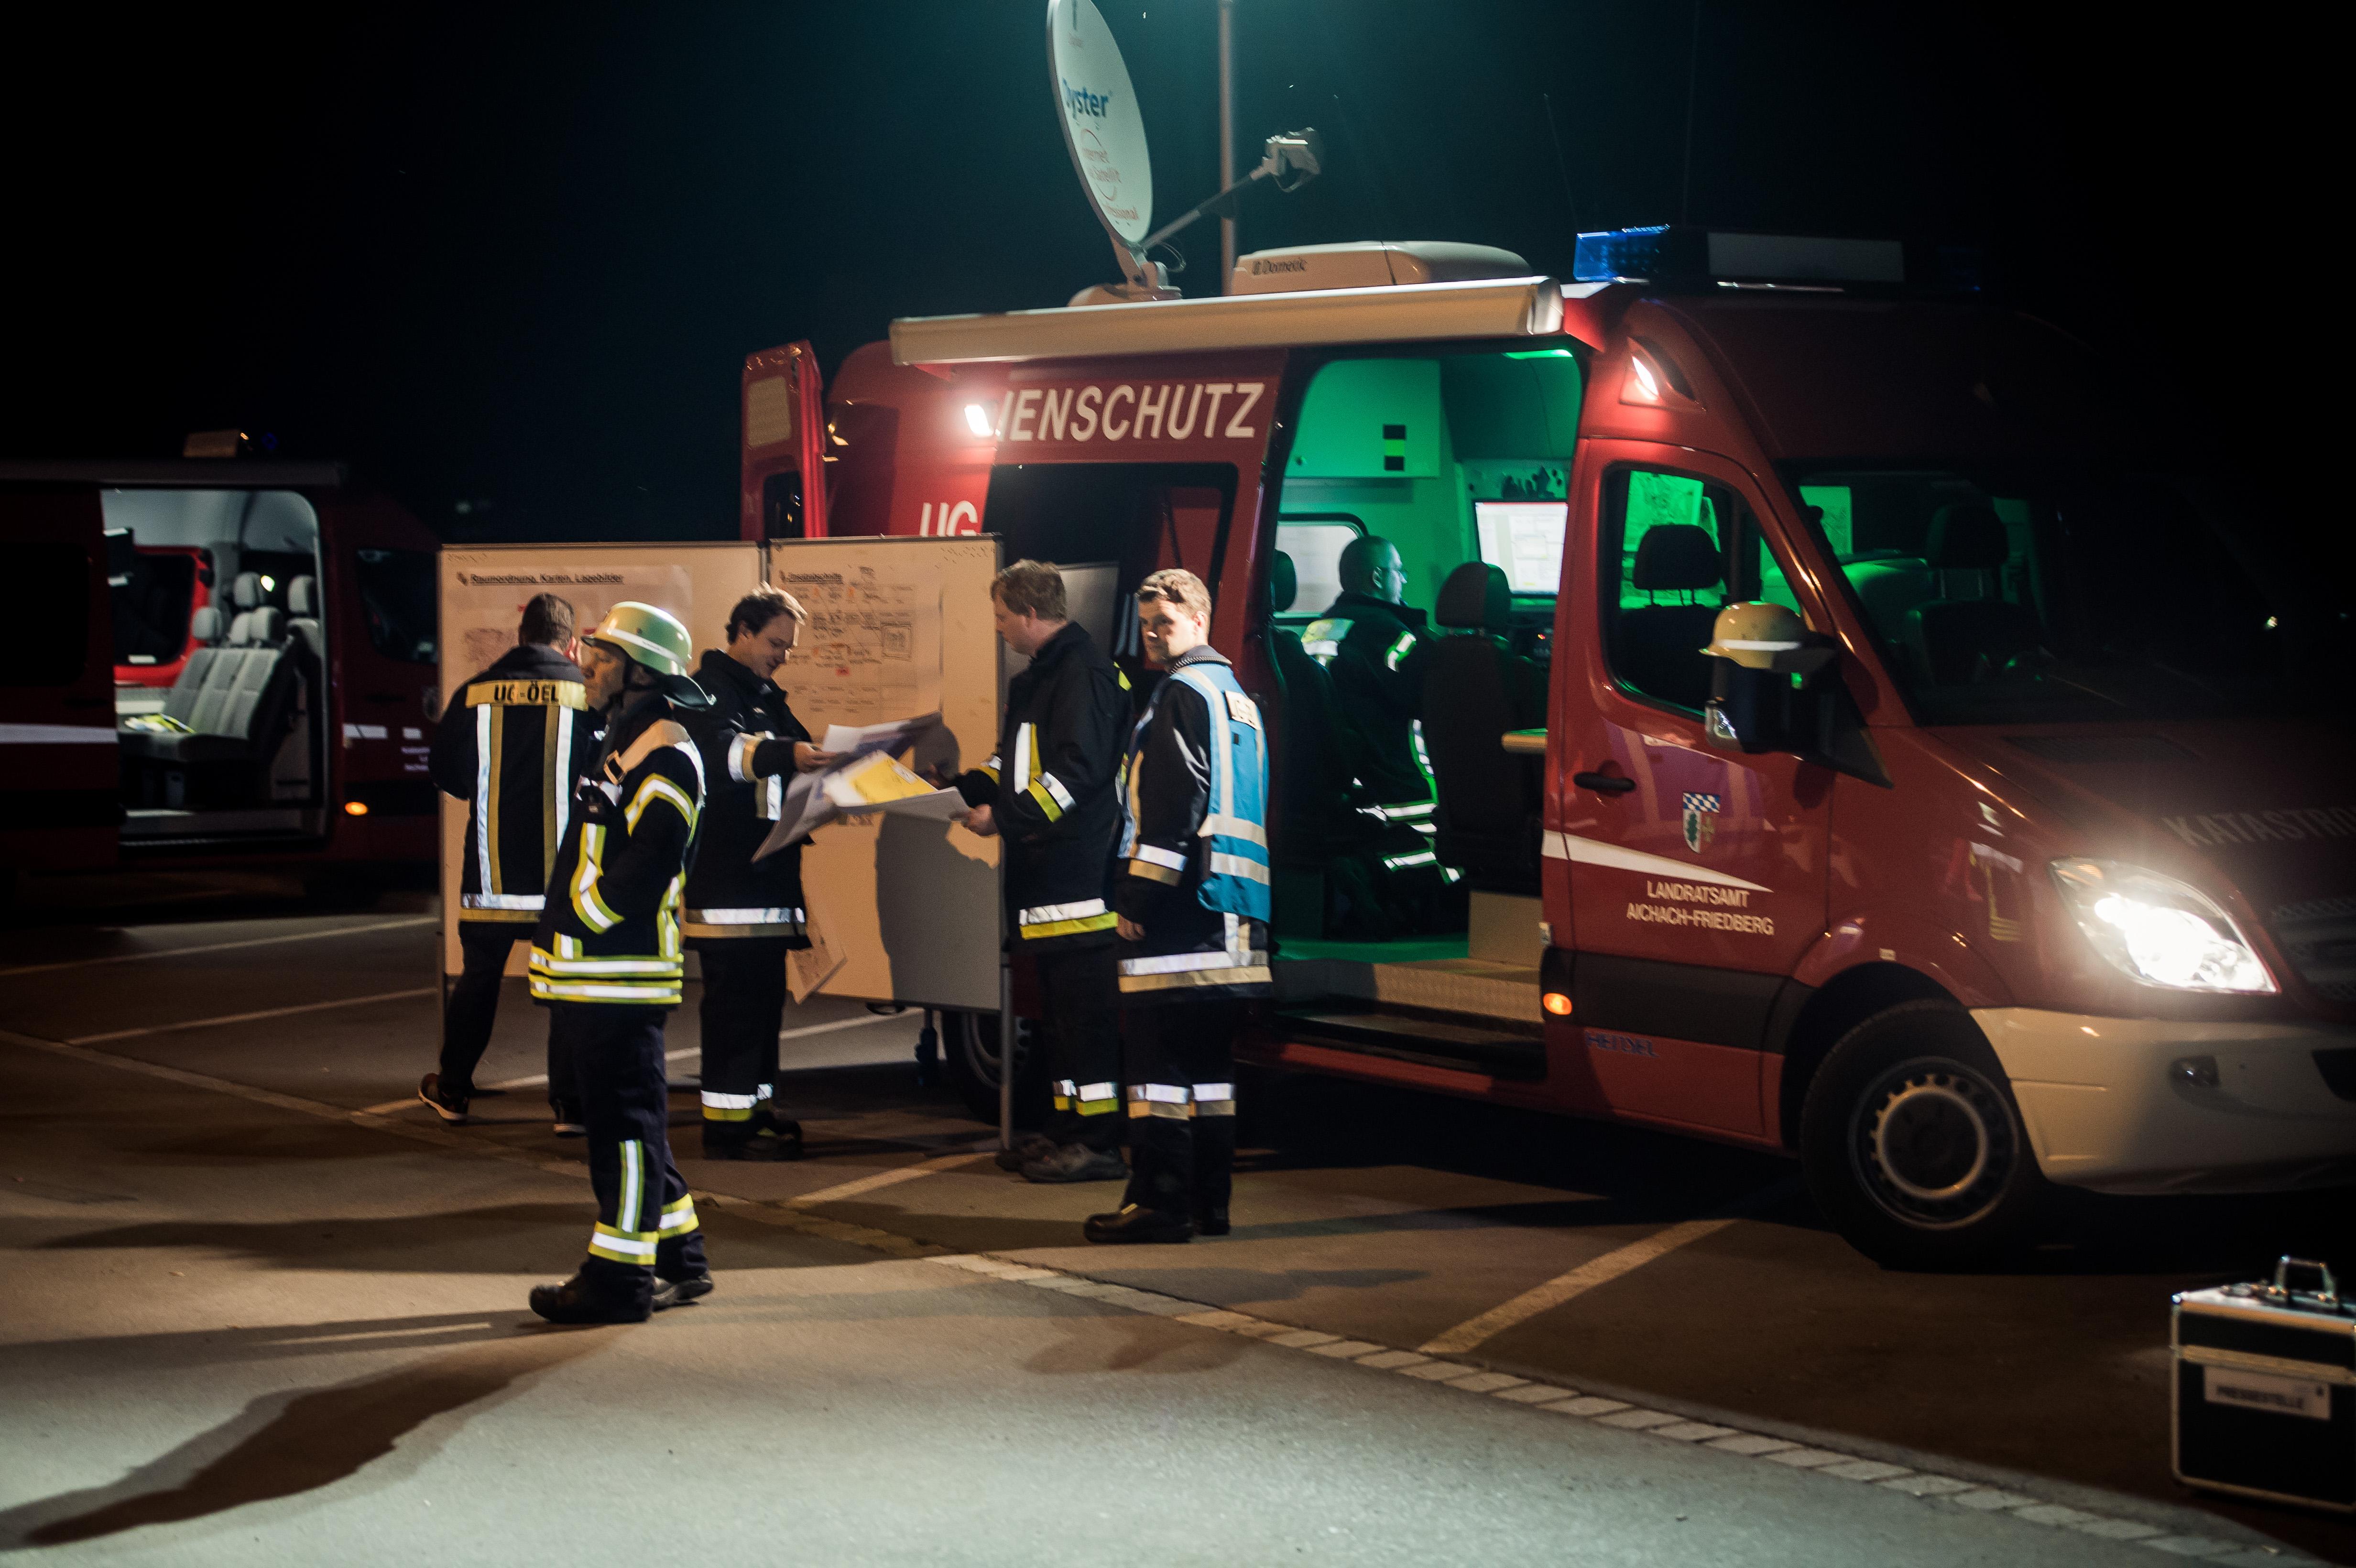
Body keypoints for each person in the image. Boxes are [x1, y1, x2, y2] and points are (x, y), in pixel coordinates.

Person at [524, 601, 713, 1325]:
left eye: (603, 656)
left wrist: (588, 919)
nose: (587, 664)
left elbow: (654, 858)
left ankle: (618, 1281)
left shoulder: (662, 750)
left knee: (624, 1135)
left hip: (616, 971)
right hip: (600, 971)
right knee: (633, 1125)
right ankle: (682, 1259)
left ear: (640, 673)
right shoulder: (629, 738)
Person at [1086, 568, 1271, 1244]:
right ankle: (1209, 1205)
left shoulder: (1179, 696)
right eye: (1146, 626)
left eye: (1165, 623)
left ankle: (1160, 1205)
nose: (1153, 637)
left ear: (1199, 619)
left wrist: (1137, 894)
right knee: (1211, 1073)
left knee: (1159, 1072)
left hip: (1178, 916)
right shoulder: (1238, 698)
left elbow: (1171, 808)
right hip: (1236, 911)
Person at [951, 559, 1130, 1184]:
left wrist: (1004, 817)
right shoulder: (1040, 678)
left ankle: (1100, 1142)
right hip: (1046, 884)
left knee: (1085, 1024)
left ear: (1030, 614)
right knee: (1059, 1025)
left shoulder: (1083, 674)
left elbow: (1077, 775)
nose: (998, 628)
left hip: (1077, 883)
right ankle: (1065, 1131)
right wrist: (959, 787)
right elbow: (1012, 762)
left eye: (1002, 616)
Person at [419, 593, 597, 1132]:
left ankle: (452, 1090)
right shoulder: (585, 694)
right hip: (562, 878)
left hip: (490, 874)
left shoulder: (475, 692)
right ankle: (568, 1105)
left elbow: (446, 774)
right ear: (569, 642)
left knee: (479, 980)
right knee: (565, 983)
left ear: (519, 638)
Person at [682, 587, 837, 1160]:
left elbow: (794, 753)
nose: (783, 655)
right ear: (742, 632)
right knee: (733, 1011)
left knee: (763, 1005)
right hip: (730, 888)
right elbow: (722, 754)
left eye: (789, 646)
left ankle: (756, 1110)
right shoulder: (710, 693)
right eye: (775, 643)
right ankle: (726, 1128)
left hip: (765, 887)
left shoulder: (763, 696)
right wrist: (789, 756)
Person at [1302, 535, 1451, 932]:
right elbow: (1442, 704)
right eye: (1399, 572)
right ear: (1377, 577)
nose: (1404, 581)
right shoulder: (1394, 638)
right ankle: (1378, 871)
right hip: (1397, 783)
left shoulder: (1316, 629)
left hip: (1343, 783)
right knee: (1451, 862)